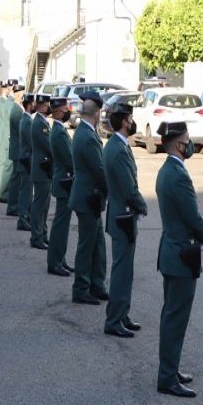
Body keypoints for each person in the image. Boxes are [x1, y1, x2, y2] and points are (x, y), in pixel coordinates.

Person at [153, 121, 203, 398]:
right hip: (181, 255)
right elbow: (192, 215)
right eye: (188, 140)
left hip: (172, 253)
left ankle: (170, 369)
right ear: (179, 144)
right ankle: (167, 377)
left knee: (172, 315)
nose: (191, 144)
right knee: (175, 318)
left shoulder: (168, 170)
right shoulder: (177, 175)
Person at [103, 101, 146, 338]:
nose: (132, 122)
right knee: (121, 271)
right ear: (123, 122)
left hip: (123, 215)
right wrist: (143, 205)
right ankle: (114, 319)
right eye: (129, 119)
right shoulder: (117, 149)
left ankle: (122, 313)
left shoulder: (119, 145)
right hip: (123, 216)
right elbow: (129, 188)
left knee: (126, 270)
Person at [69, 92, 108, 305]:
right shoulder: (87, 135)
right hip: (88, 197)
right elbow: (98, 169)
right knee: (87, 246)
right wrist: (110, 189)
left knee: (97, 244)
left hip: (90, 197)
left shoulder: (85, 132)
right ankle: (81, 287)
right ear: (97, 113)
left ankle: (97, 284)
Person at [46, 97, 74, 275]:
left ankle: (60, 258)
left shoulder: (60, 130)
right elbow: (68, 159)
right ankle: (54, 261)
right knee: (60, 225)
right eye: (65, 111)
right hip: (64, 181)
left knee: (63, 224)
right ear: (56, 112)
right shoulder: (58, 132)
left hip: (65, 180)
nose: (67, 113)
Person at [28, 94, 52, 250]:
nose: (49, 107)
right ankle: (36, 236)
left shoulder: (42, 122)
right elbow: (48, 146)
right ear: (42, 106)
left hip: (45, 168)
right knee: (39, 204)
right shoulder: (39, 124)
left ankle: (42, 233)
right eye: (48, 104)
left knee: (45, 203)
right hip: (41, 168)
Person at [3, 88, 26, 219]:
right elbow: (21, 130)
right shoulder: (16, 111)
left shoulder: (18, 109)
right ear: (17, 96)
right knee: (16, 179)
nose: (23, 97)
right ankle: (12, 206)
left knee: (17, 178)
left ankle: (14, 204)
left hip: (18, 148)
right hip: (17, 149)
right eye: (22, 95)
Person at [16, 94, 36, 232]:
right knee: (26, 191)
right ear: (29, 105)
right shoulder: (27, 121)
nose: (35, 105)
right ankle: (23, 218)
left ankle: (25, 215)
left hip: (27, 158)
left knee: (27, 191)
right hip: (26, 159)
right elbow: (31, 142)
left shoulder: (27, 119)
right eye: (33, 103)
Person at [0, 82, 16, 202]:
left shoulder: (3, 101)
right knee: (5, 164)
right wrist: (12, 96)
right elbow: (8, 117)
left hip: (2, 134)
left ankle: (0, 188)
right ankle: (2, 190)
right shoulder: (6, 101)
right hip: (5, 135)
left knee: (2, 163)